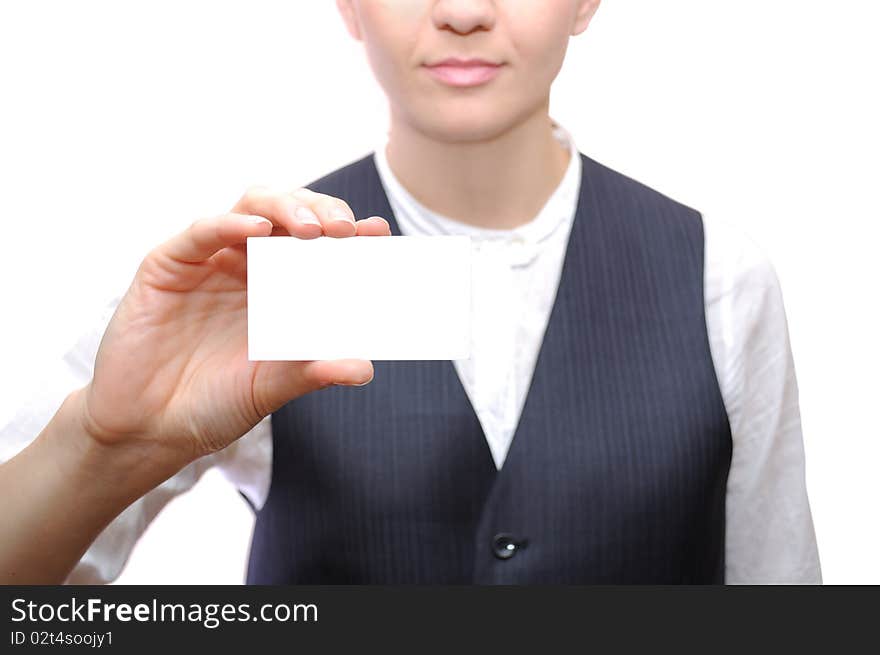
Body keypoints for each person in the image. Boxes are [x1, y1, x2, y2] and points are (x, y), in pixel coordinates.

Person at [0, 0, 820, 584]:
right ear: (346, 5)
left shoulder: (721, 279)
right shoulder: (251, 278)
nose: (463, 10)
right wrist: (105, 446)